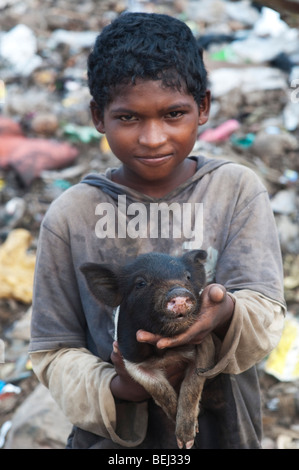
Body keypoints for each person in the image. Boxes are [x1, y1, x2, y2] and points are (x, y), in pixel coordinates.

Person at [29, 12, 286, 449]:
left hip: (222, 434)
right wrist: (119, 387)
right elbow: (52, 351)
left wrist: (224, 316)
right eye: (128, 118)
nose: (152, 138)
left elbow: (265, 314)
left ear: (203, 107)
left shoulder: (235, 190)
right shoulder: (73, 215)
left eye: (173, 114)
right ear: (98, 116)